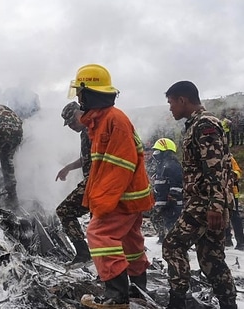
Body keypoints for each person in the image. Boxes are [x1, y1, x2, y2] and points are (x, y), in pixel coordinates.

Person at [68, 64, 153, 308]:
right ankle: (138, 291)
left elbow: (119, 166)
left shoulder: (112, 121)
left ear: (90, 92)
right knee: (130, 243)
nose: (77, 97)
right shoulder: (103, 119)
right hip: (129, 197)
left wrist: (102, 204)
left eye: (80, 92)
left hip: (121, 198)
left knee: (100, 234)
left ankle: (116, 297)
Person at [162, 80, 237, 309]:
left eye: (171, 103)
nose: (170, 108)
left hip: (205, 202)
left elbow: (214, 166)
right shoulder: (196, 124)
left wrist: (215, 205)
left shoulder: (204, 124)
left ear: (183, 100)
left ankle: (178, 302)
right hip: (206, 201)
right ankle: (228, 305)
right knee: (211, 258)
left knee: (173, 245)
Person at [54, 101, 91, 266]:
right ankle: (105, 270)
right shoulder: (85, 132)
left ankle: (83, 254)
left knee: (64, 210)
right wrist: (68, 167)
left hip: (96, 182)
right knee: (99, 226)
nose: (71, 126)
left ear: (80, 113)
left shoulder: (93, 129)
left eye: (72, 121)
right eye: (68, 124)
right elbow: (86, 158)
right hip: (94, 182)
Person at [149, 138, 184, 245]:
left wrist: (172, 199)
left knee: (171, 222)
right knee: (158, 219)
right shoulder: (162, 166)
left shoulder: (172, 165)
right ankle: (162, 237)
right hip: (161, 201)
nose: (155, 154)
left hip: (171, 203)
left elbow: (177, 184)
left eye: (158, 151)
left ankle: (174, 242)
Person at [226, 156, 244, 250]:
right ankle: (227, 240)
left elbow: (238, 172)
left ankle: (241, 242)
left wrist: (233, 174)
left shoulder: (229, 158)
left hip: (232, 192)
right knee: (223, 215)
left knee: (234, 215)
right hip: (220, 192)